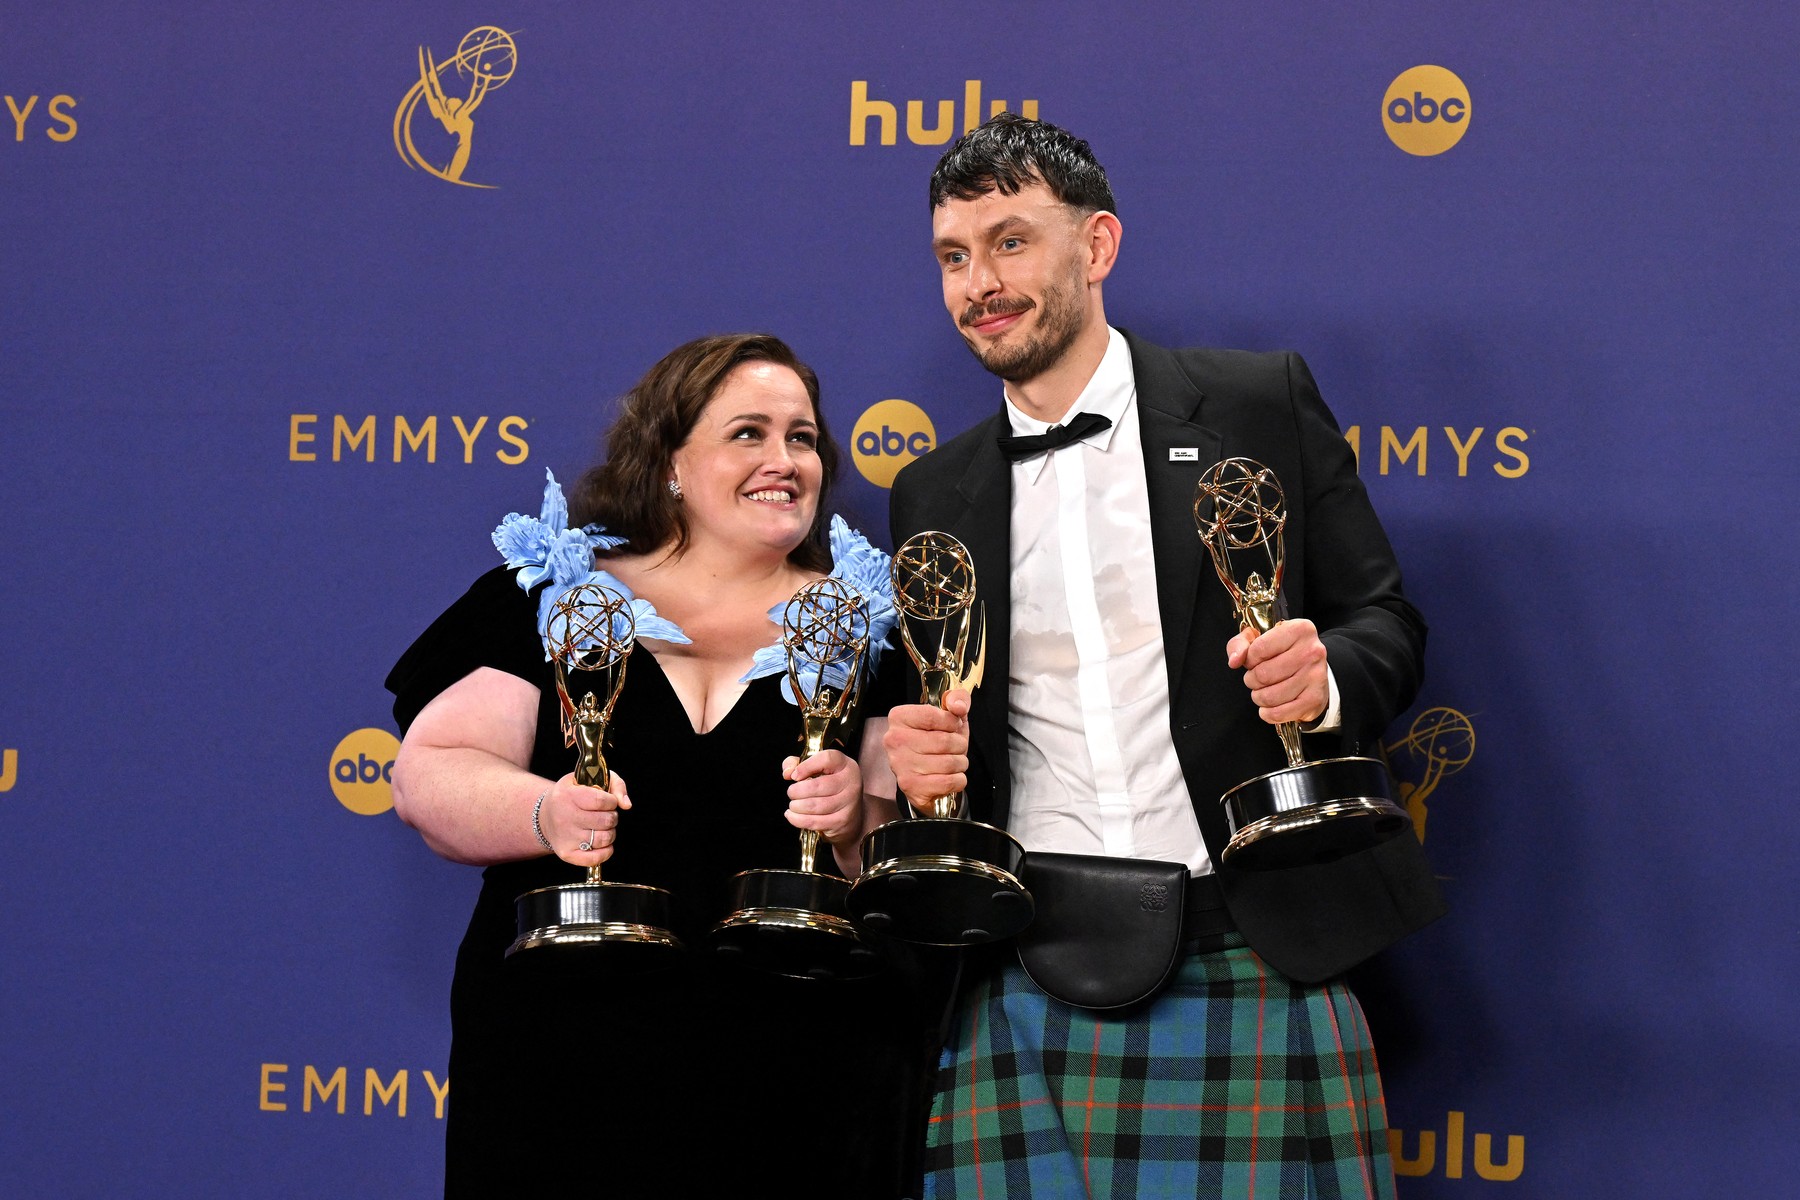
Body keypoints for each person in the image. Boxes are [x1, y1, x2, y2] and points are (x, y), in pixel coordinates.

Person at [883, 114, 1446, 1198]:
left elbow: (1387, 622)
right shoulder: (930, 492)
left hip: (1252, 939)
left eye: (1010, 242)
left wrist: (1323, 675)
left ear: (1097, 247)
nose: (978, 284)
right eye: (953, 257)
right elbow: (948, 719)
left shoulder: (1252, 402)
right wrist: (920, 770)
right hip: (1023, 962)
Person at [387, 333, 926, 1198]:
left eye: (801, 437)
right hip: (564, 1060)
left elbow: (907, 852)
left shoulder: (868, 621)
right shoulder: (549, 594)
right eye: (747, 433)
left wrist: (859, 820)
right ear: (669, 461)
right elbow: (429, 774)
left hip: (810, 1068)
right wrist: (544, 813)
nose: (783, 459)